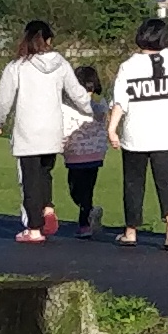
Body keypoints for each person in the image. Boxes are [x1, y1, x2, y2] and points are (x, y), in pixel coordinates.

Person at [0, 20, 89, 243]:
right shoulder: (61, 64)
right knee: (45, 172)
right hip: (52, 131)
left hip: (27, 132)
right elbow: (77, 92)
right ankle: (47, 207)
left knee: (30, 179)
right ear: (49, 40)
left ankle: (34, 228)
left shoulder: (17, 67)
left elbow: (3, 99)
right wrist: (89, 111)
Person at [104, 20, 168, 247]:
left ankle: (131, 230)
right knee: (166, 181)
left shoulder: (130, 65)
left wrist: (111, 129)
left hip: (135, 133)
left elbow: (120, 102)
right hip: (166, 134)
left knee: (133, 182)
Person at [61, 67, 110, 231]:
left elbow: (66, 127)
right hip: (87, 153)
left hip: (84, 153)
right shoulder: (99, 105)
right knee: (81, 189)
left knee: (80, 189)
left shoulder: (72, 106)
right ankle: (89, 213)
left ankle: (85, 223)